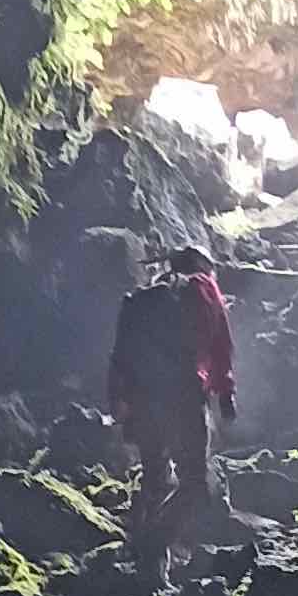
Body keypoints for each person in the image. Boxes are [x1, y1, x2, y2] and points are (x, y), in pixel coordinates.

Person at [108, 244, 236, 570]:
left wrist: (119, 404)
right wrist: (225, 397)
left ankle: (147, 567)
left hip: (142, 402)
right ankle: (150, 546)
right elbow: (221, 350)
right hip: (184, 399)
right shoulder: (205, 292)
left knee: (155, 478)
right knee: (196, 486)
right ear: (203, 265)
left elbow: (120, 356)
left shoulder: (141, 299)